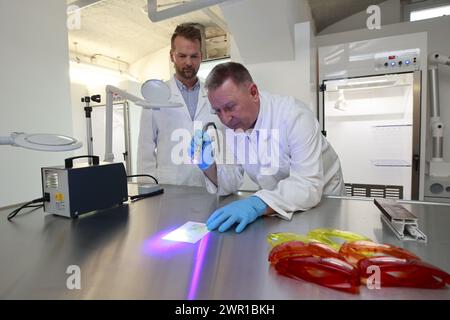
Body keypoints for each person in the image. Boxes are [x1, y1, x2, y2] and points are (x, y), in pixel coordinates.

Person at [190, 62, 345, 233]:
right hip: (275, 204)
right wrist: (208, 165)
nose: (225, 119)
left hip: (323, 198)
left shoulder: (294, 116)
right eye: (217, 111)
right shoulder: (233, 126)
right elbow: (232, 181)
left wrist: (257, 203)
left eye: (230, 107)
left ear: (253, 92)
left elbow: (307, 185)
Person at [137, 23, 220, 186]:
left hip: (207, 184)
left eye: (194, 56)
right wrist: (147, 190)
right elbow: (145, 149)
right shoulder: (155, 96)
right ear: (172, 56)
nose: (188, 62)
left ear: (201, 56)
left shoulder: (213, 93)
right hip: (170, 185)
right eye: (182, 56)